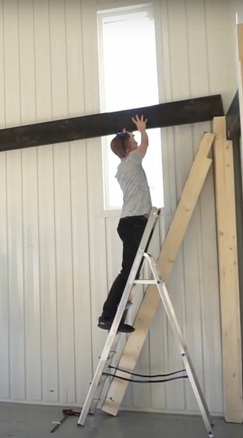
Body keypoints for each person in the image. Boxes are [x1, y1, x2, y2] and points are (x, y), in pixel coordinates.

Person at [98, 114, 153, 334]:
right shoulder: (131, 160)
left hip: (130, 222)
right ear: (128, 149)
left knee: (130, 271)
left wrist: (126, 136)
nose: (136, 140)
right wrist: (141, 128)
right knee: (127, 272)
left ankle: (113, 316)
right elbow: (146, 143)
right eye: (132, 139)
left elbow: (131, 145)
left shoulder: (123, 166)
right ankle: (108, 316)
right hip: (134, 223)